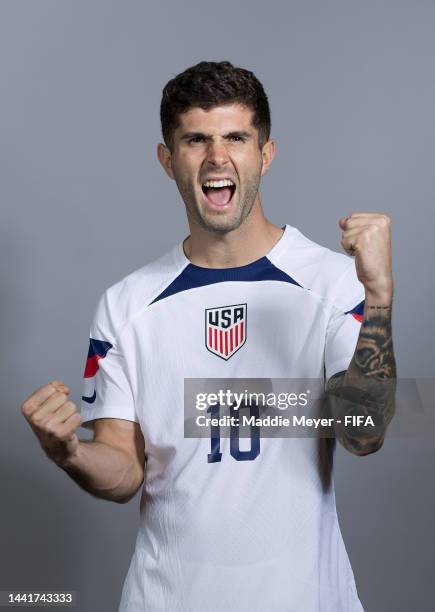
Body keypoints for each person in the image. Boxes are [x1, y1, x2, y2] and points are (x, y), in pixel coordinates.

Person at [21, 61, 396, 611]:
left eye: (235, 138)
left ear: (265, 155)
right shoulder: (126, 305)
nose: (217, 158)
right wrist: (70, 452)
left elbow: (364, 434)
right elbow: (123, 471)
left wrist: (379, 295)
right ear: (167, 159)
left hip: (304, 598)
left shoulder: (332, 281)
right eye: (196, 139)